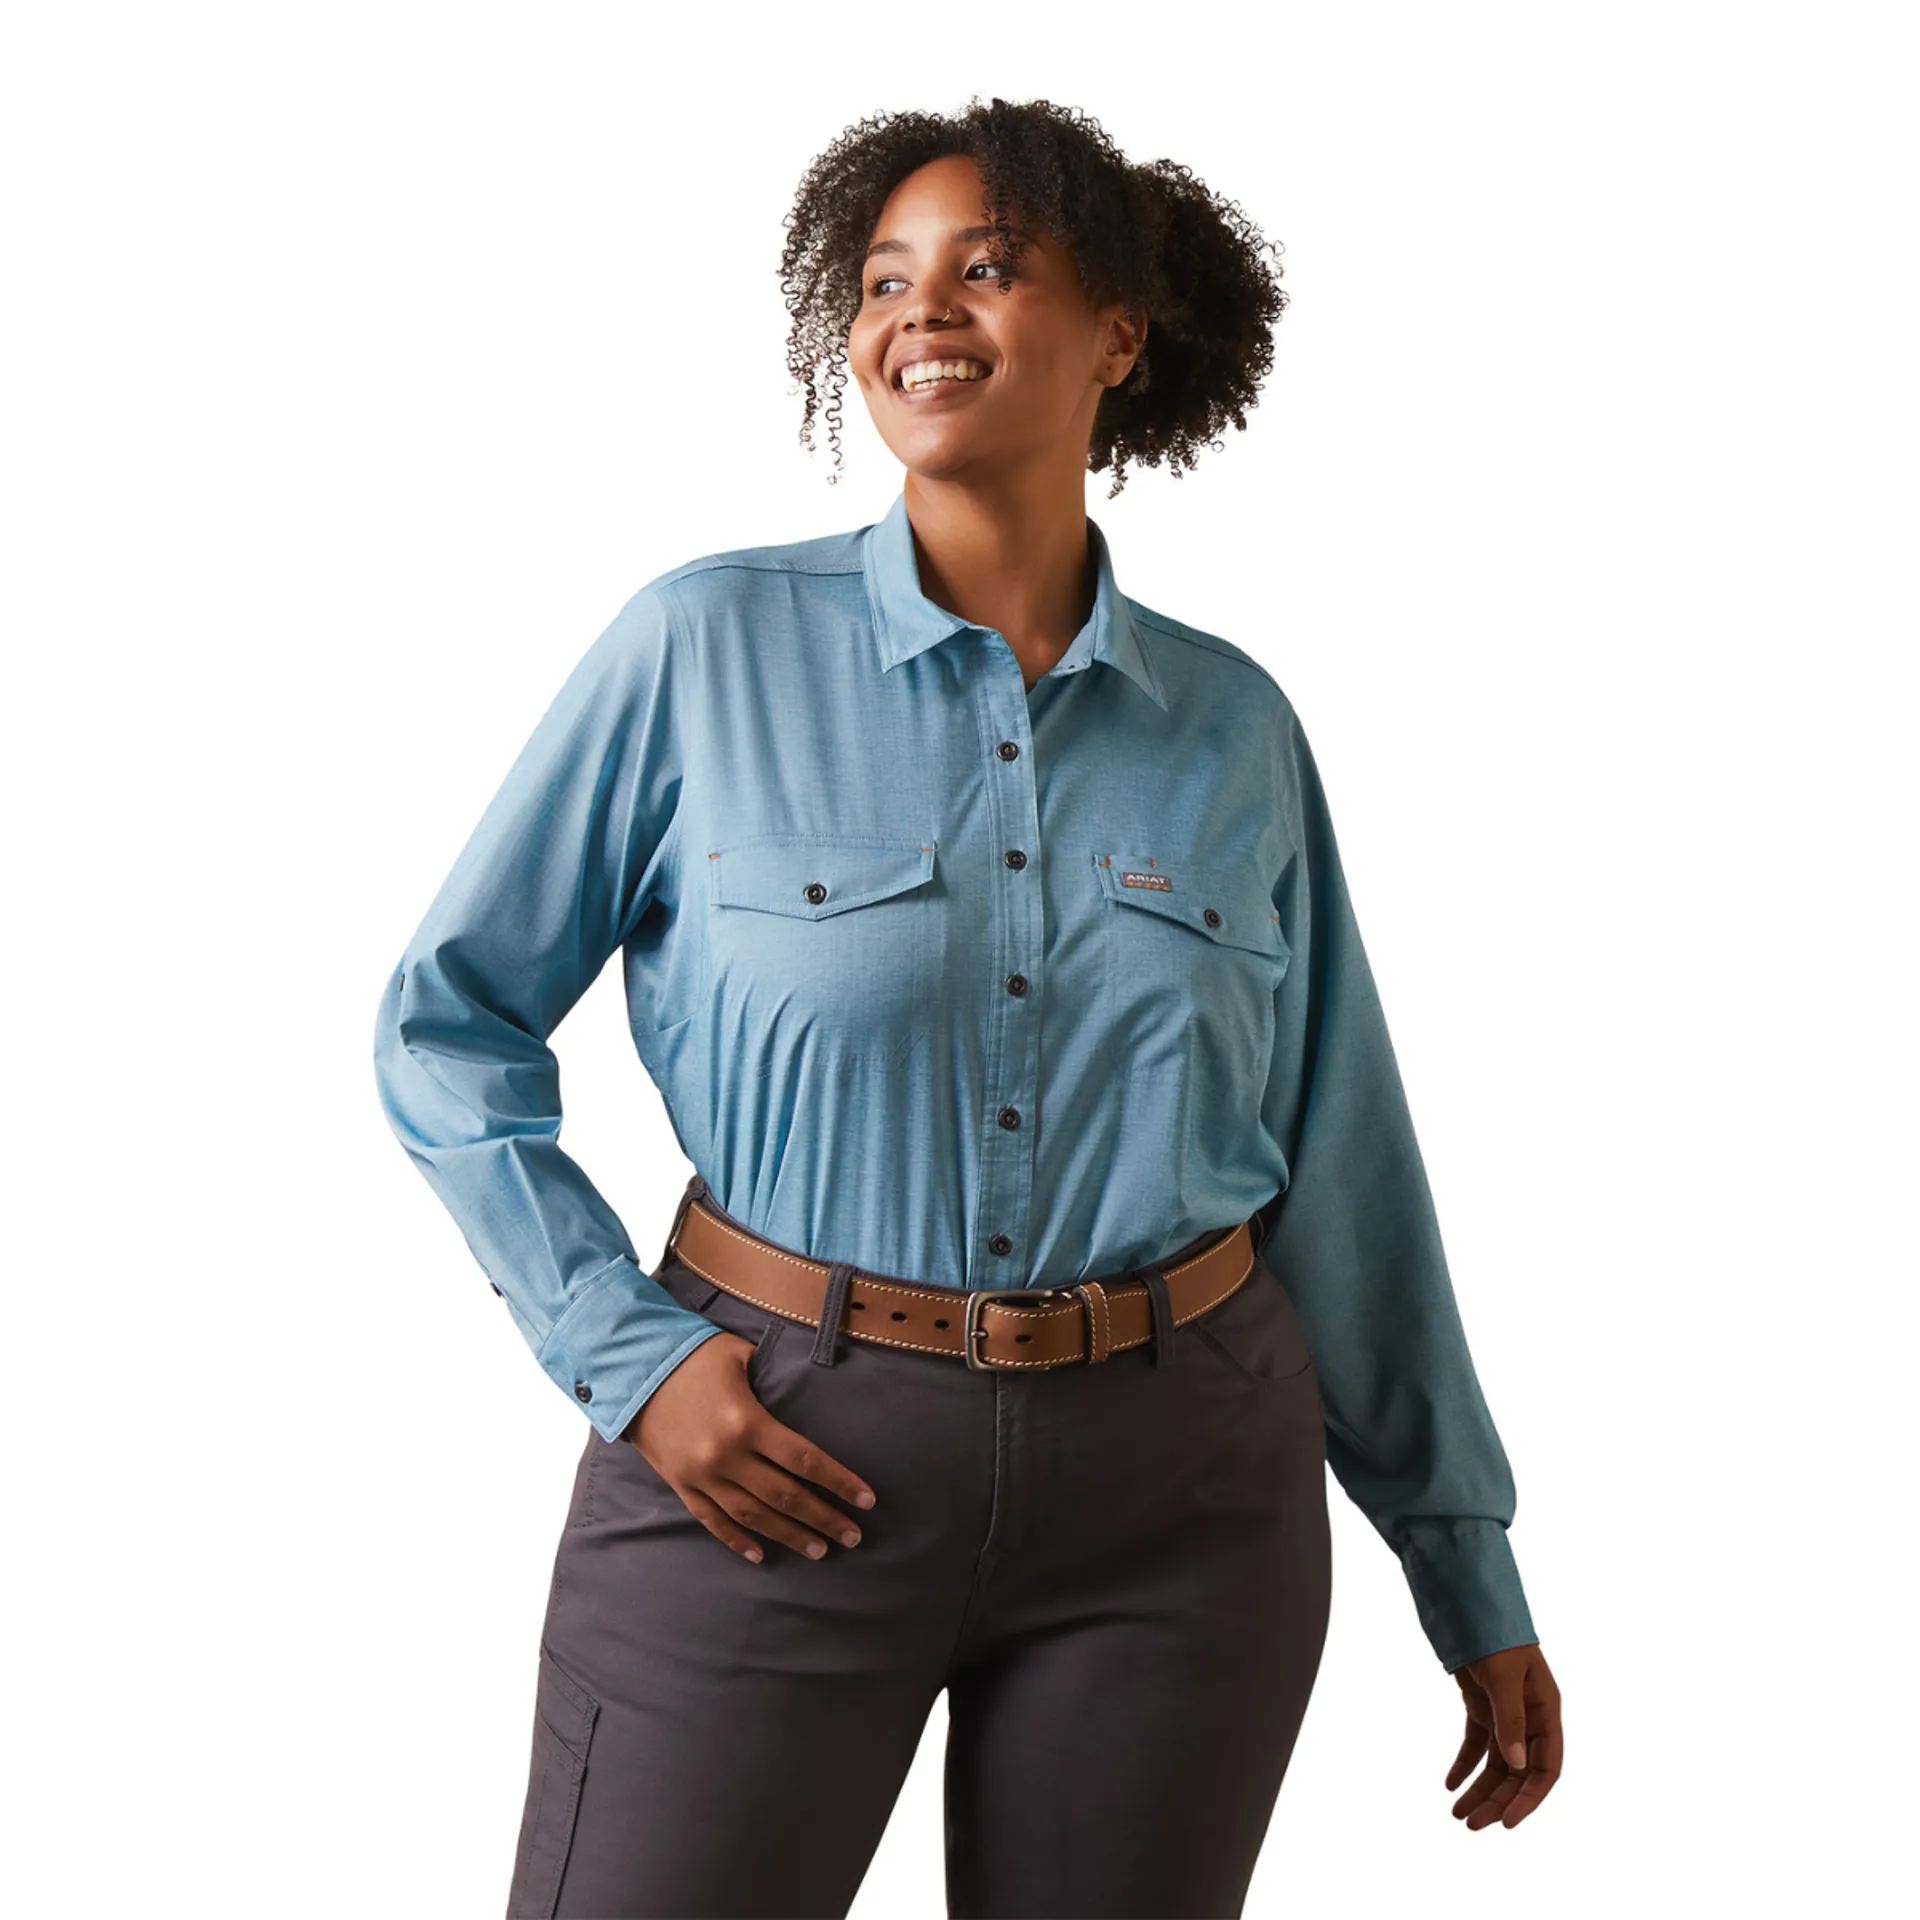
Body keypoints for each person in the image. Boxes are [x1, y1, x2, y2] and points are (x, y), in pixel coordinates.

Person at [372, 94, 1562, 1920]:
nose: (919, 311)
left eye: (988, 268)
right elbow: (447, 1023)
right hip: (773, 1455)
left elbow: (1340, 1161)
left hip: (1187, 1503)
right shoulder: (701, 649)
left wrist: (1463, 1560)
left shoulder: (1233, 726)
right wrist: (631, 1355)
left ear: (1120, 337)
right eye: (882, 279)